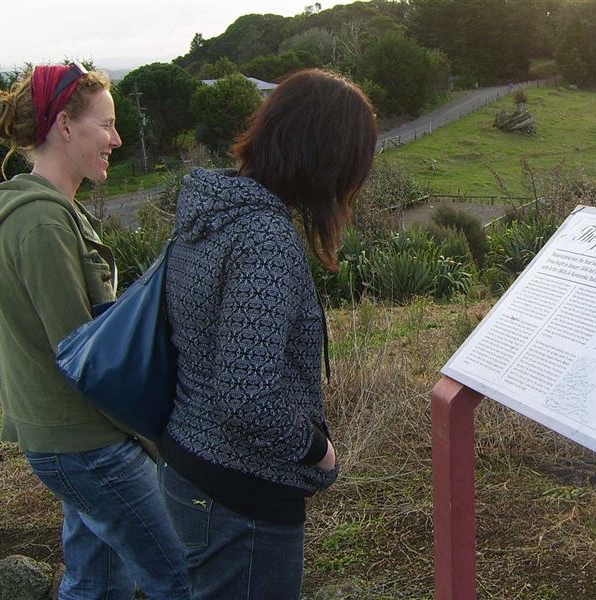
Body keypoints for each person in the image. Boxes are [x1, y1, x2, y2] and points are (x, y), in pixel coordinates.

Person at [0, 63, 190, 600]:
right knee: (183, 576)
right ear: (65, 126)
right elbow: (85, 354)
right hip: (86, 443)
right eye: (106, 125)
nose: (116, 139)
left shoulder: (53, 212)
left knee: (97, 582)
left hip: (70, 434)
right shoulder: (41, 223)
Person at [157, 68, 377, 599]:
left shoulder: (213, 209)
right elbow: (247, 396)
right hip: (241, 497)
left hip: (187, 465)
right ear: (325, 157)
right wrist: (316, 451)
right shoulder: (265, 238)